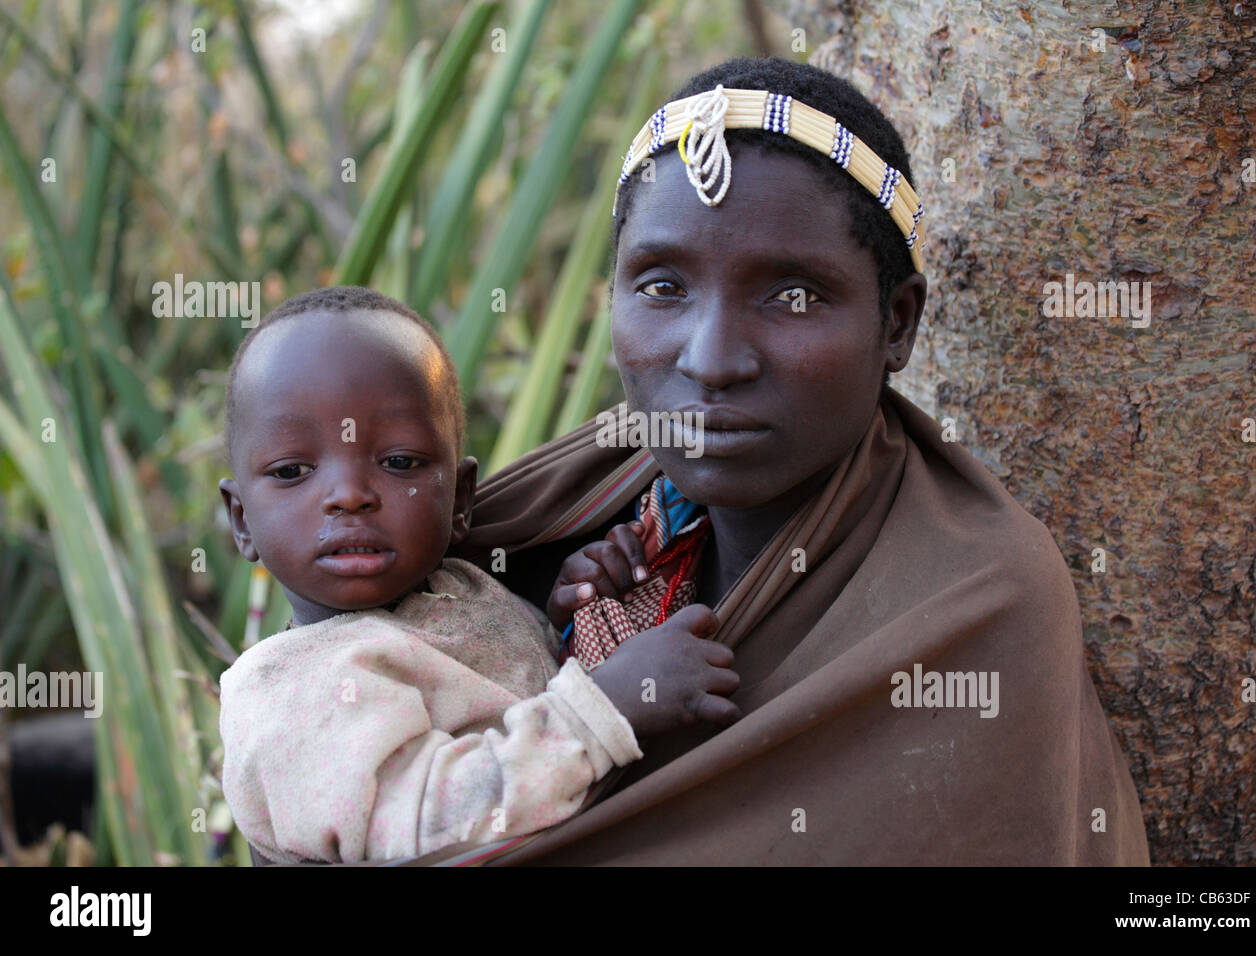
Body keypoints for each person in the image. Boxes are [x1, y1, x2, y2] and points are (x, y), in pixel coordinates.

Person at [423, 57, 1151, 865]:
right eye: (662, 286)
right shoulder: (521, 533)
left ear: (897, 324)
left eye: (792, 295)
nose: (712, 359)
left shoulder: (975, 602)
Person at [215, 286, 739, 864]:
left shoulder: (466, 589)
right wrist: (605, 708)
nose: (349, 496)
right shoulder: (290, 689)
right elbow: (422, 827)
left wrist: (569, 613)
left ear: (462, 499)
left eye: (399, 463)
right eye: (292, 471)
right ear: (242, 520)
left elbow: (517, 689)